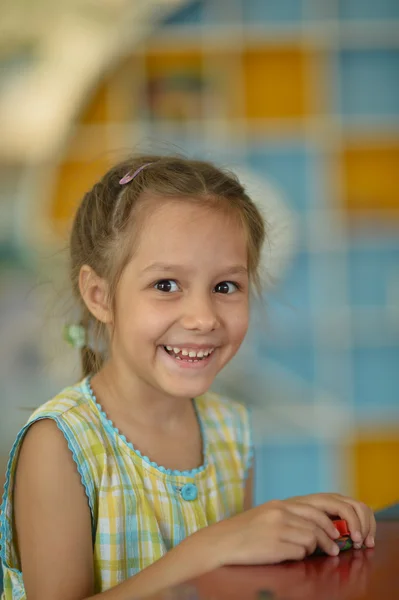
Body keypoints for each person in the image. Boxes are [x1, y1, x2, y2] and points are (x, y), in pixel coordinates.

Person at [0, 156, 376, 600]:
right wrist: (209, 547)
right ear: (100, 296)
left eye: (225, 287)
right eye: (166, 285)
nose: (202, 318)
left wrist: (292, 529)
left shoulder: (231, 429)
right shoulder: (59, 445)